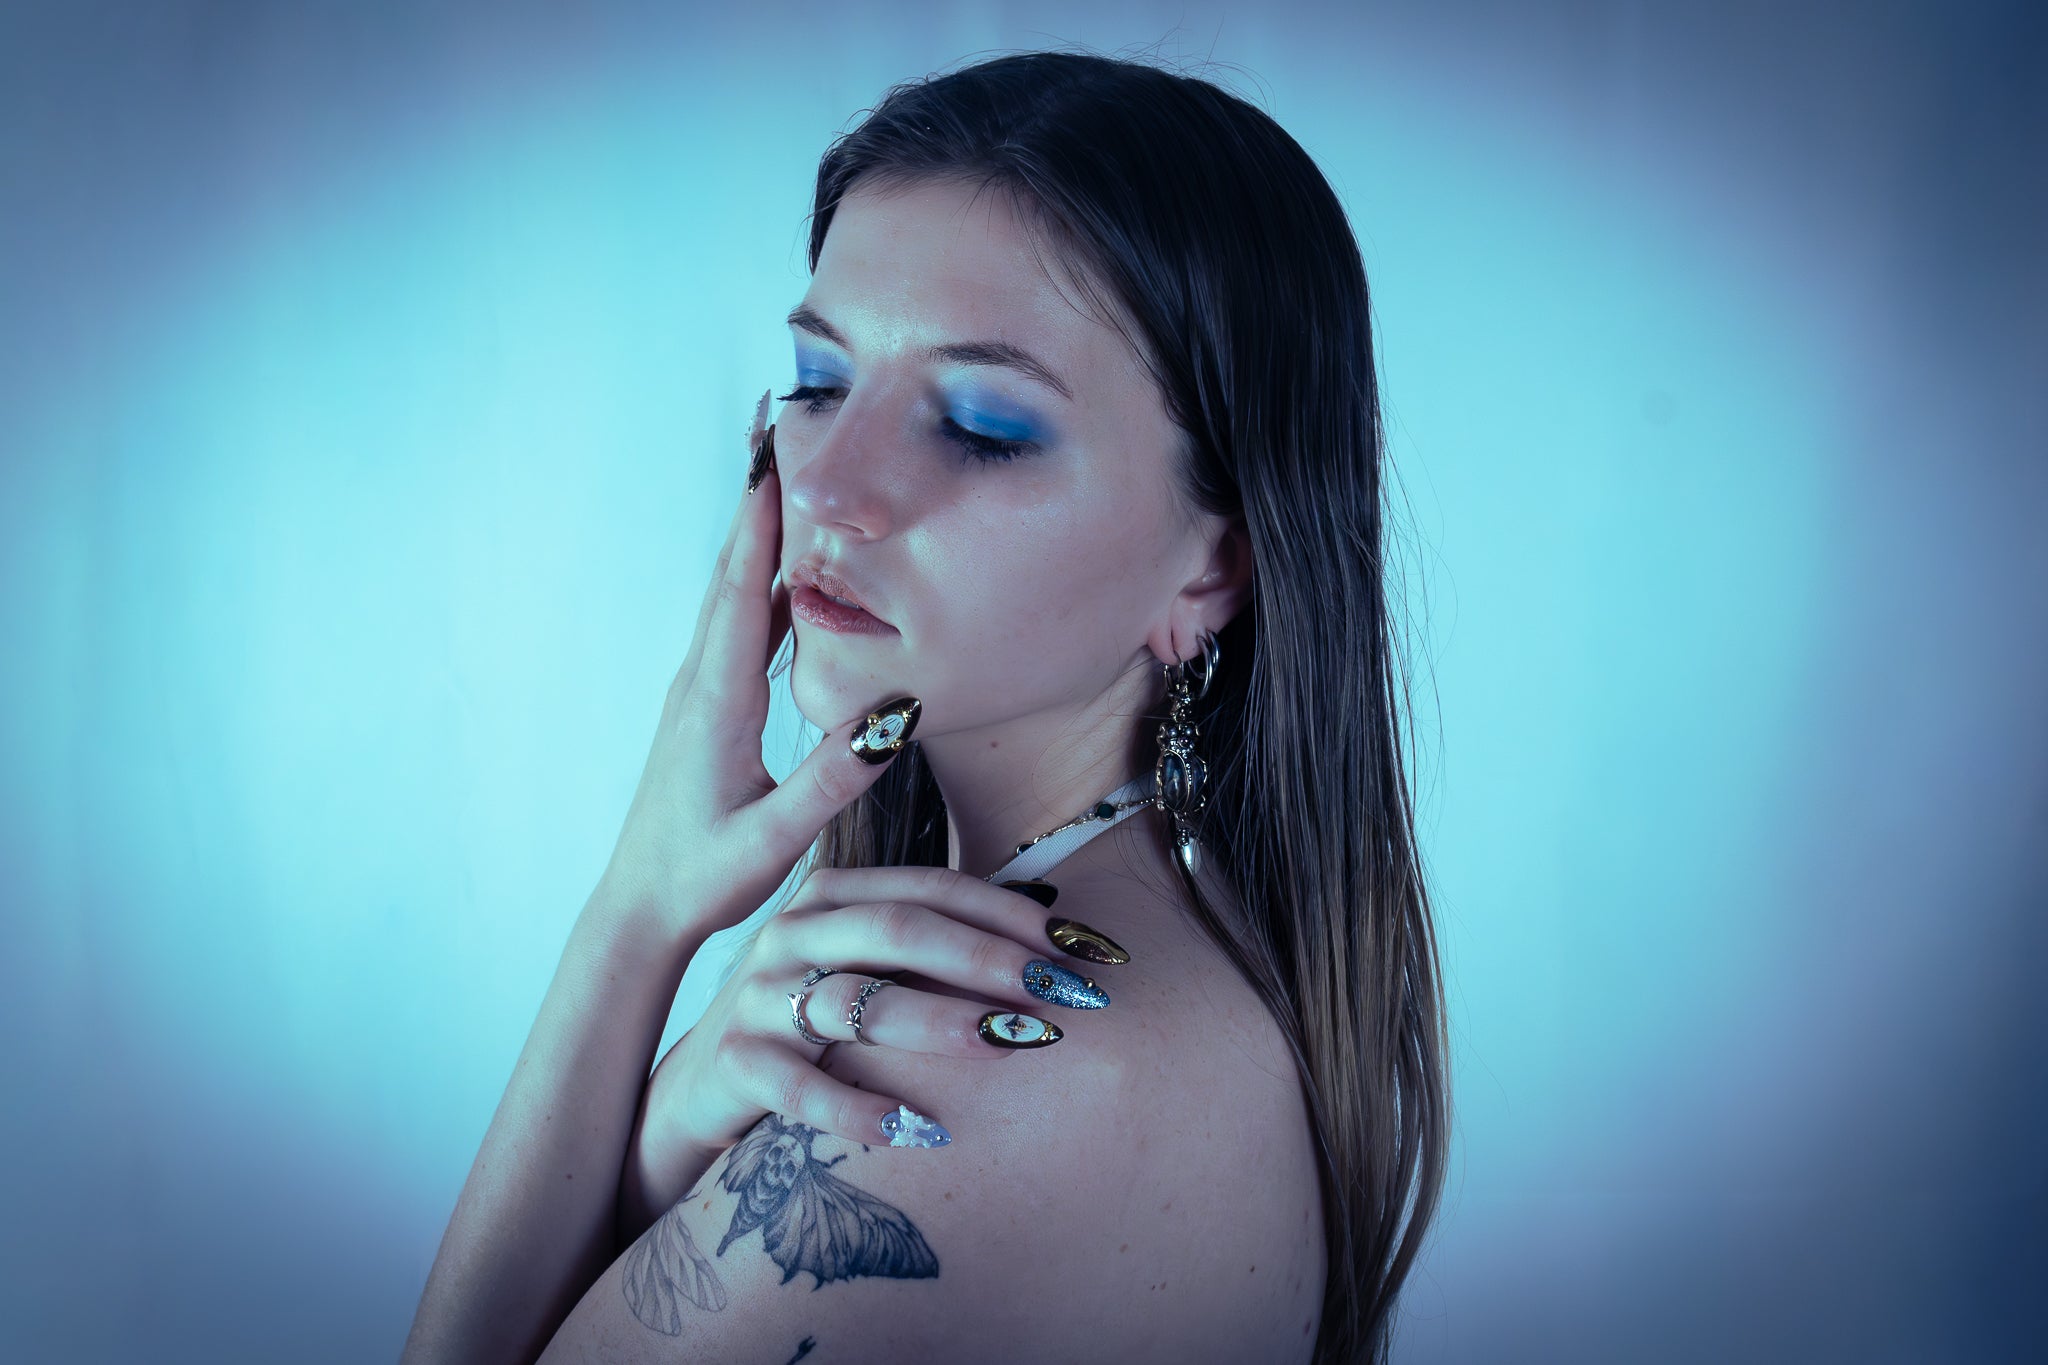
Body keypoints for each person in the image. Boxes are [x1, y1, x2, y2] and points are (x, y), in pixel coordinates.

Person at [404, 49, 1449, 1365]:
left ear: (1213, 566)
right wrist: (662, 1129)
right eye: (820, 380)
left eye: (980, 424)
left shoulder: (995, 1074)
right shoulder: (1170, 961)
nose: (827, 486)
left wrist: (631, 929)